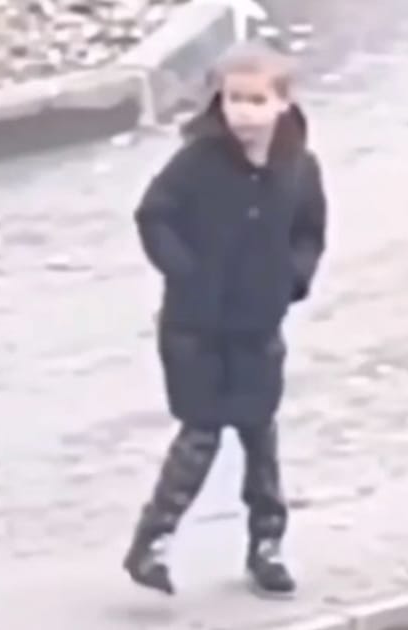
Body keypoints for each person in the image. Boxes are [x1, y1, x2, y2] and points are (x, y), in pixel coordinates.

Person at [123, 41, 327, 596]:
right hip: (195, 327)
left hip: (259, 327)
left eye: (256, 100)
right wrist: (183, 271)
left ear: (282, 103)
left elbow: (309, 229)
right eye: (234, 99)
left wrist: (292, 279)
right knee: (200, 433)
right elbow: (154, 215)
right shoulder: (196, 162)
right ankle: (154, 540)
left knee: (262, 437)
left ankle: (267, 544)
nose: (243, 111)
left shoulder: (298, 168)